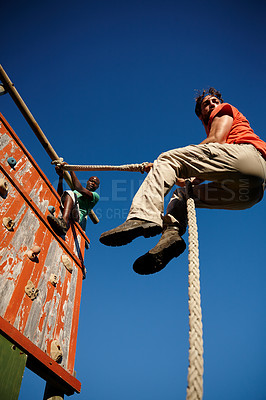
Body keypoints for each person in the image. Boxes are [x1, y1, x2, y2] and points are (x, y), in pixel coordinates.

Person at [99, 87, 266, 274]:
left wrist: (168, 167)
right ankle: (171, 236)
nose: (212, 104)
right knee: (182, 194)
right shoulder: (217, 134)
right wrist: (184, 177)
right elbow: (213, 163)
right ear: (200, 114)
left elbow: (216, 140)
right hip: (249, 193)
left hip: (248, 158)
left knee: (167, 158)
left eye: (214, 101)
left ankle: (142, 216)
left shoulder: (224, 109)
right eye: (206, 104)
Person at [48, 165, 100, 236]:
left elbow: (79, 188)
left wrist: (71, 170)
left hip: (76, 215)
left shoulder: (95, 196)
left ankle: (64, 223)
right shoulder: (75, 192)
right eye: (91, 181)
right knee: (68, 194)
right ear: (87, 182)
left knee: (71, 193)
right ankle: (63, 220)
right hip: (67, 211)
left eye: (95, 183)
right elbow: (61, 196)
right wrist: (61, 177)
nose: (93, 183)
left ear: (97, 187)